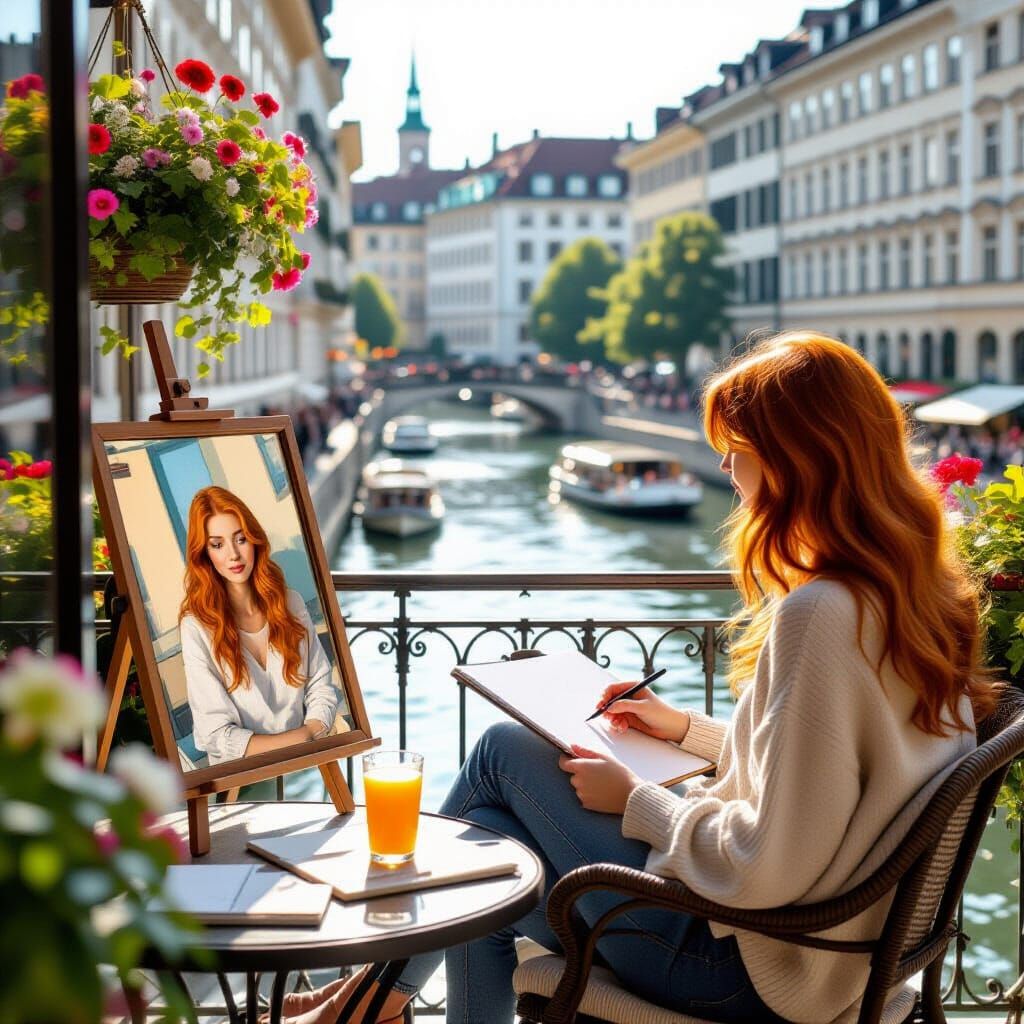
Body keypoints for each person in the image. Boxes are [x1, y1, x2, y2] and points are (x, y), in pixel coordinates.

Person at [274, 331, 999, 1024]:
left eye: (738, 450)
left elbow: (764, 865)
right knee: (484, 841)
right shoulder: (910, 593)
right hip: (825, 956)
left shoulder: (821, 614)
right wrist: (682, 729)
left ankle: (372, 999)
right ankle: (376, 999)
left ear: (796, 459)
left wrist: (637, 801)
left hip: (749, 968)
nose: (725, 470)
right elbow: (825, 777)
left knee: (499, 755)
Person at [179, 486, 339, 764]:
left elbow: (321, 685)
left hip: (306, 764)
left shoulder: (291, 603)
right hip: (241, 779)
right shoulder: (196, 627)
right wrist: (300, 739)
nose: (233, 555)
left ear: (254, 540)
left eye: (240, 539)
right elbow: (213, 733)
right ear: (204, 553)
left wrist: (311, 731)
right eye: (217, 545)